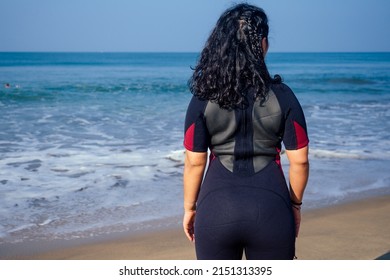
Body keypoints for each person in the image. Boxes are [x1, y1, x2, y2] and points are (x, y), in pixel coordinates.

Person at [182, 3, 309, 260]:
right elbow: (300, 160)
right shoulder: (284, 96)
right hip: (271, 209)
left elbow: (195, 162)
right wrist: (294, 205)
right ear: (262, 43)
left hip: (216, 208)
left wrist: (189, 208)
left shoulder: (203, 97)